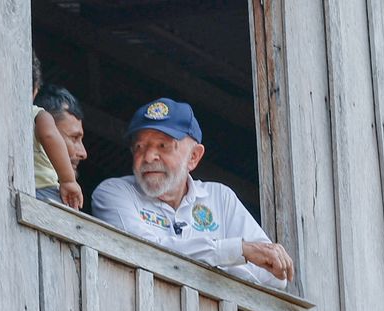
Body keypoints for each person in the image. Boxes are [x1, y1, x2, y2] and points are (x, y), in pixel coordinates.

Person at [91, 97, 294, 291]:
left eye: (163, 146)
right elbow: (144, 252)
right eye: (139, 147)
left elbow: (275, 276)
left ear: (194, 157)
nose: (149, 157)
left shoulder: (220, 197)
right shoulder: (113, 193)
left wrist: (225, 255)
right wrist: (235, 252)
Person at [31, 55, 85, 209]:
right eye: (74, 137)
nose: (84, 153)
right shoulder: (39, 115)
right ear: (35, 90)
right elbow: (49, 134)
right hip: (47, 194)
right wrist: (68, 181)